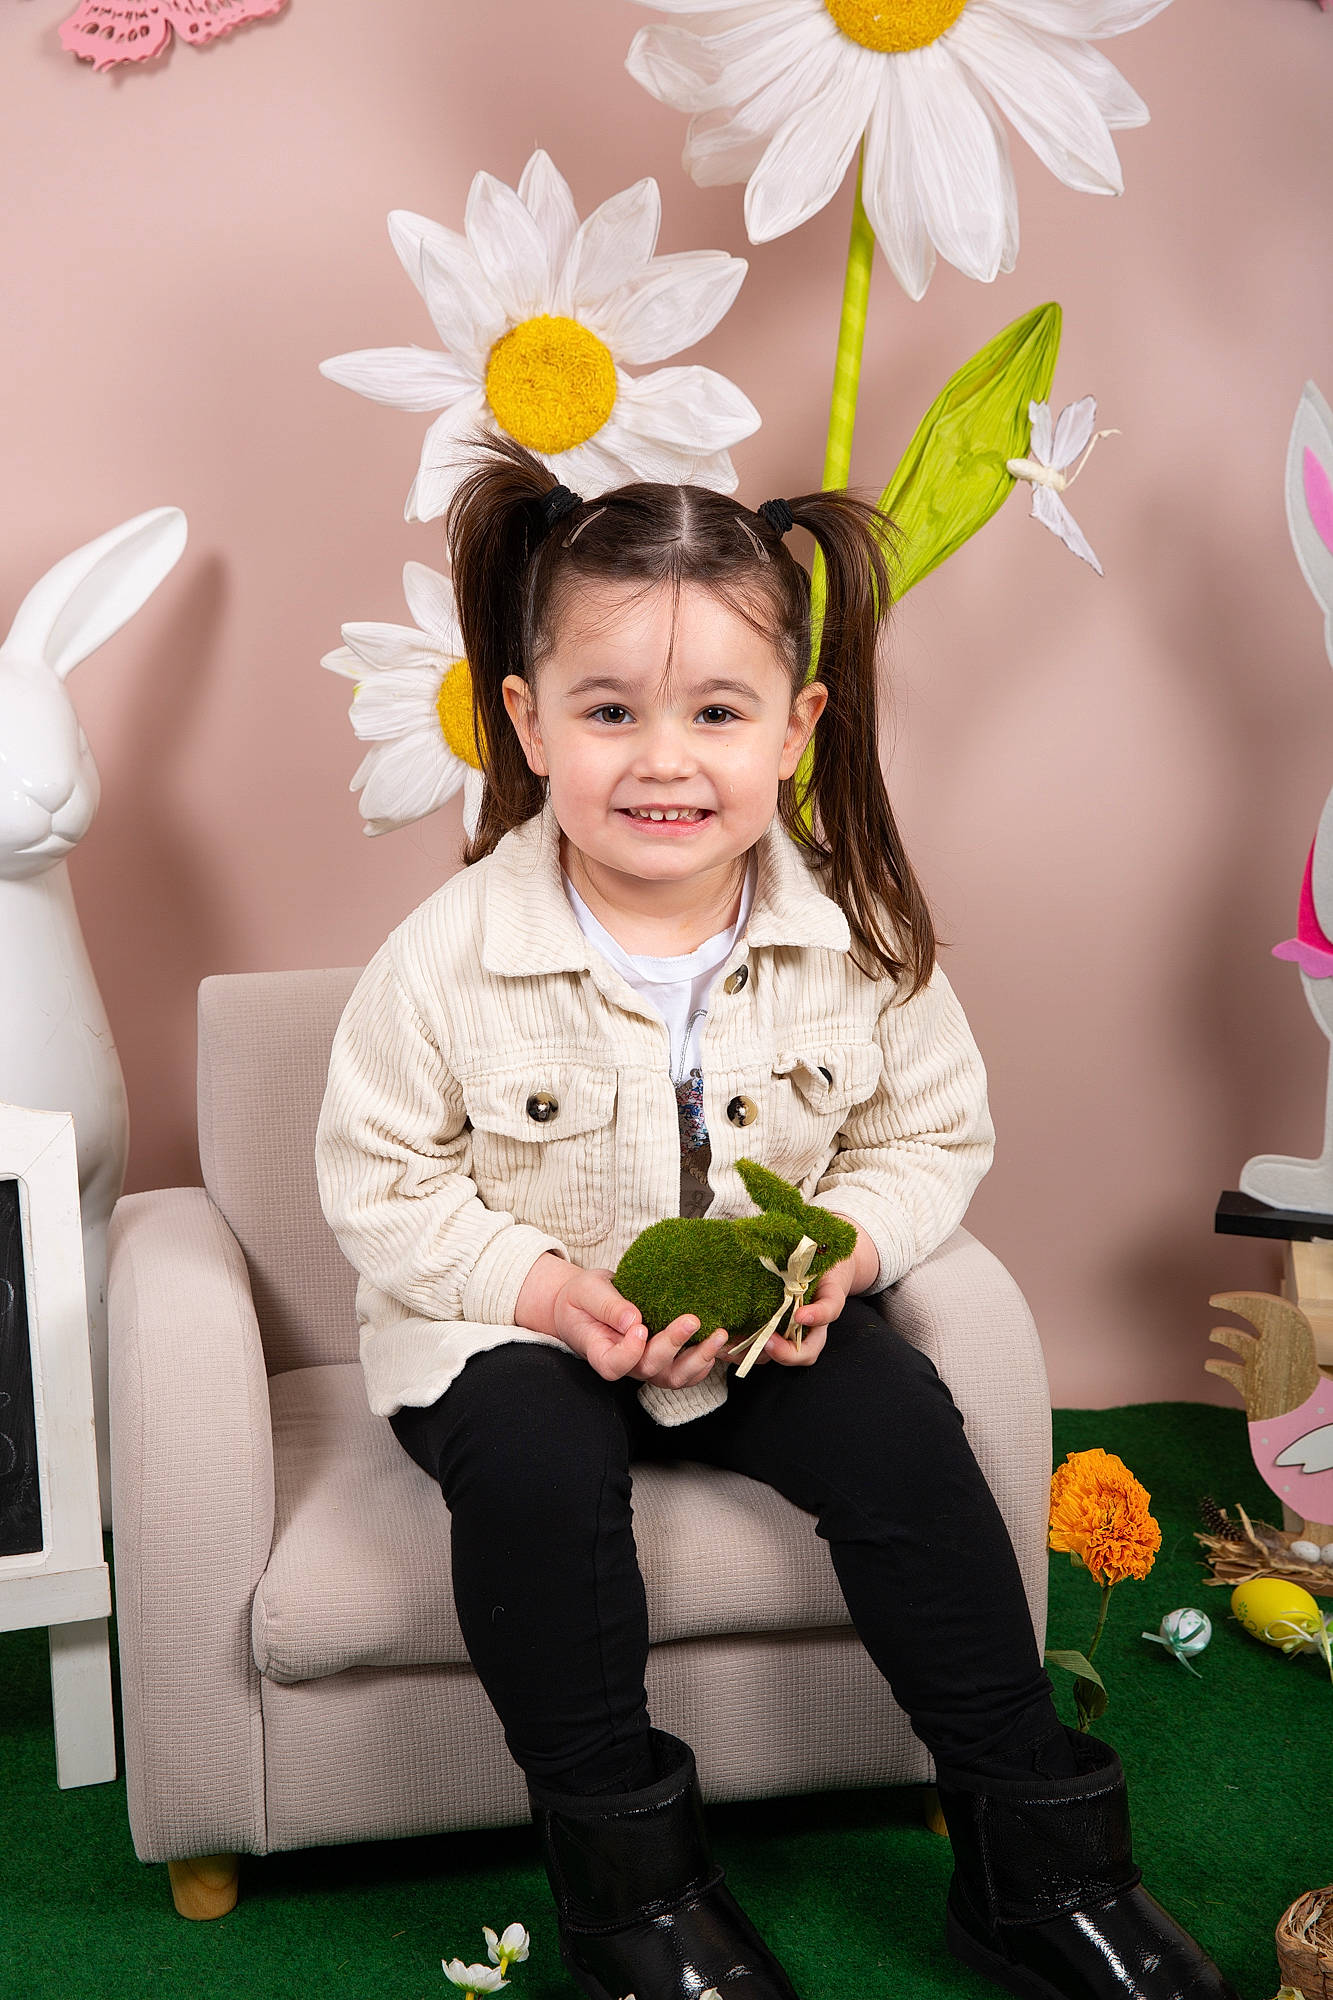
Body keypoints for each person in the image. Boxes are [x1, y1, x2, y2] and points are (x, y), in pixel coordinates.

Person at [314, 434, 1237, 2000]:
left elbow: (927, 1131)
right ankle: (636, 1903)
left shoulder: (857, 933)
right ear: (528, 723)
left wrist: (847, 1256)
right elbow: (381, 1182)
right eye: (608, 712)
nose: (661, 760)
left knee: (899, 1429)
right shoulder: (445, 953)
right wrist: (537, 1288)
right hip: (510, 1331)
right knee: (537, 1468)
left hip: (758, 1320)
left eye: (717, 712)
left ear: (797, 729)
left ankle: (1038, 1863)